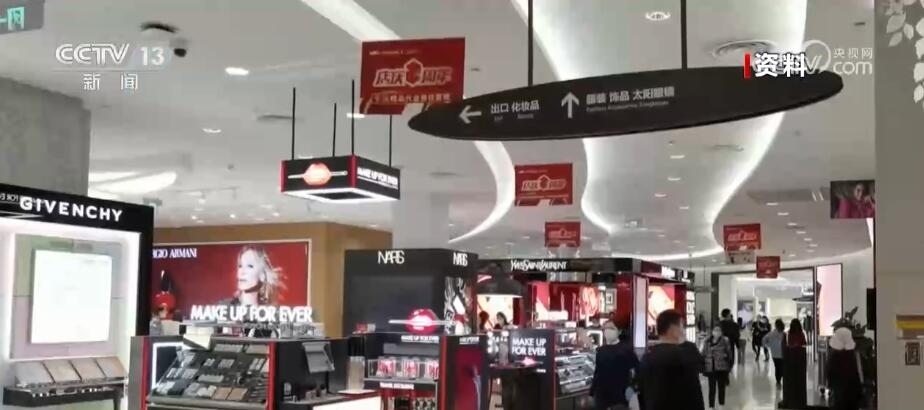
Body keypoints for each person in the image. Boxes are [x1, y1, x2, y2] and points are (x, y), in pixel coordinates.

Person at [638, 309, 705, 410]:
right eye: (681, 326)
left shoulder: (647, 358)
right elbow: (694, 394)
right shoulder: (683, 356)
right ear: (673, 329)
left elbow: (642, 393)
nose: (683, 330)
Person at [590, 327, 638, 410]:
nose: (608, 331)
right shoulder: (601, 351)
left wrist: (632, 387)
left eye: (611, 328)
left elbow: (636, 369)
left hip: (620, 393)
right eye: (606, 328)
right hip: (602, 394)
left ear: (619, 331)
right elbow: (598, 372)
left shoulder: (626, 350)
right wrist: (592, 391)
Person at [827, 328, 863, 410]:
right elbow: (856, 375)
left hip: (839, 396)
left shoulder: (833, 357)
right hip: (852, 395)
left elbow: (830, 375)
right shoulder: (852, 355)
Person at [701, 326, 733, 409]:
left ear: (721, 332)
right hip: (710, 367)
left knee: (721, 387)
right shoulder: (707, 341)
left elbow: (729, 353)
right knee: (711, 388)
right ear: (712, 332)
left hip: (722, 367)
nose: (717, 332)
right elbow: (703, 353)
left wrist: (729, 363)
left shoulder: (725, 341)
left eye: (718, 331)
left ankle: (721, 404)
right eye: (715, 330)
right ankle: (711, 406)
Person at [781, 319, 808, 408]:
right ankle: (797, 401)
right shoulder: (793, 334)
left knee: (792, 380)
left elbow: (784, 347)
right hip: (797, 360)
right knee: (797, 380)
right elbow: (804, 343)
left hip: (793, 360)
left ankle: (791, 400)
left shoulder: (788, 334)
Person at [762, 319, 786, 386]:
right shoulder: (784, 334)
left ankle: (778, 380)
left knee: (777, 367)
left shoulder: (771, 333)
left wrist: (767, 346)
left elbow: (763, 340)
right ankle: (780, 377)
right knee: (781, 367)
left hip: (774, 353)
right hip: (782, 353)